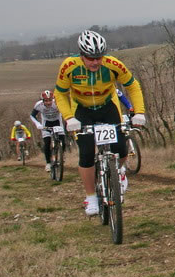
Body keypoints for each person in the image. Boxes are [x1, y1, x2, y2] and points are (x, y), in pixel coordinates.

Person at [54, 29, 146, 216]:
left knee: (120, 147)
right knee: (87, 153)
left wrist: (140, 112)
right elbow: (60, 94)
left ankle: (118, 172)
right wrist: (69, 118)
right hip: (81, 110)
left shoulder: (113, 65)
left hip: (107, 107)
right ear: (81, 55)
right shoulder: (69, 66)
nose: (95, 62)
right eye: (90, 58)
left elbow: (133, 86)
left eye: (99, 57)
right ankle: (91, 197)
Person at [30, 89, 66, 172]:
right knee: (47, 143)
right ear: (42, 101)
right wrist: (38, 124)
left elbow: (65, 112)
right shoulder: (38, 105)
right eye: (46, 101)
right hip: (46, 124)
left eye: (50, 100)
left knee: (63, 142)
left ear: (52, 99)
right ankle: (48, 163)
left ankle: (61, 154)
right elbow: (32, 116)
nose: (48, 103)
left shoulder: (57, 103)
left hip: (57, 122)